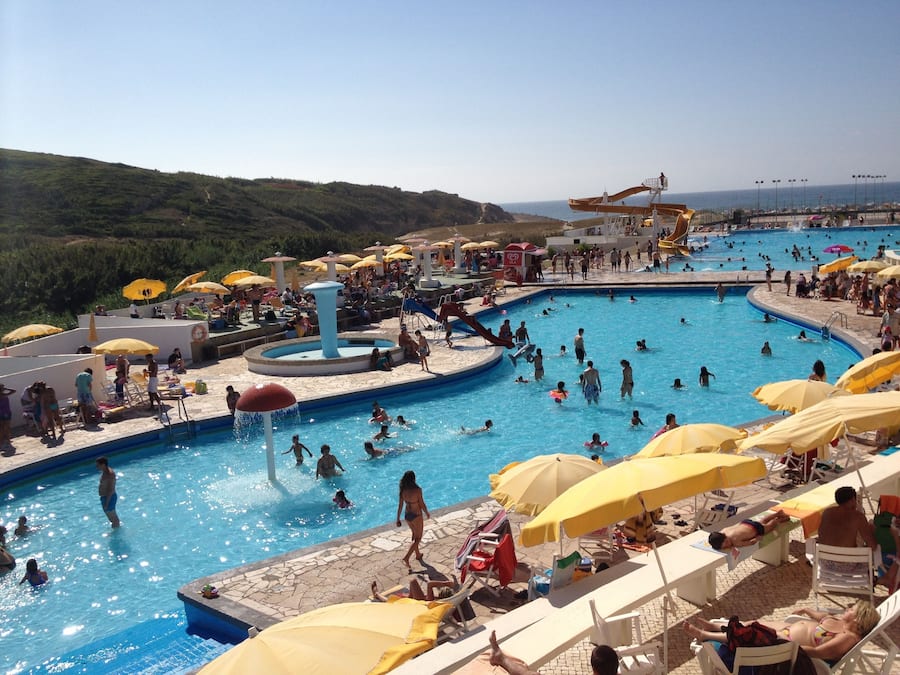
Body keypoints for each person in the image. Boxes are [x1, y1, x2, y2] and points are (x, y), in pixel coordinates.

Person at [682, 600, 879, 663]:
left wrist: (789, 648)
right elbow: (821, 617)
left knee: (750, 633)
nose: (848, 608)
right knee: (753, 623)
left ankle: (705, 635)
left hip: (787, 644)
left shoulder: (848, 637)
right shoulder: (839, 623)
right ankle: (717, 627)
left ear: (859, 617)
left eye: (852, 609)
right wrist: (806, 610)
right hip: (787, 630)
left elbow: (820, 653)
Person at [818, 486, 877, 553]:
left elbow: (821, 533)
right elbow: (873, 546)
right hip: (848, 561)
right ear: (852, 499)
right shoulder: (858, 516)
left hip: (824, 559)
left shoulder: (827, 512)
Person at [396, 470, 430, 571]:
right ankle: (406, 557)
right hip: (416, 516)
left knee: (414, 535)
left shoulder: (402, 490)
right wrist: (427, 512)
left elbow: (400, 505)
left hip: (407, 516)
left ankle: (418, 554)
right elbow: (421, 503)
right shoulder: (417, 490)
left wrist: (398, 518)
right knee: (418, 538)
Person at [707, 511, 791, 550]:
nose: (728, 546)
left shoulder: (735, 541)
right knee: (762, 521)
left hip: (755, 529)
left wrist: (757, 538)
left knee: (769, 527)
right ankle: (777, 514)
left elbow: (750, 543)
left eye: (725, 545)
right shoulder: (724, 530)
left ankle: (777, 520)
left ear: (725, 541)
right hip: (745, 523)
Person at [96, 456, 121, 528]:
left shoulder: (110, 475)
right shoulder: (105, 472)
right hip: (104, 497)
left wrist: (107, 503)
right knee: (111, 519)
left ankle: (116, 535)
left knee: (114, 520)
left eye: (98, 465)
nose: (97, 467)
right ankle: (115, 530)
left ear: (103, 464)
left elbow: (111, 490)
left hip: (109, 498)